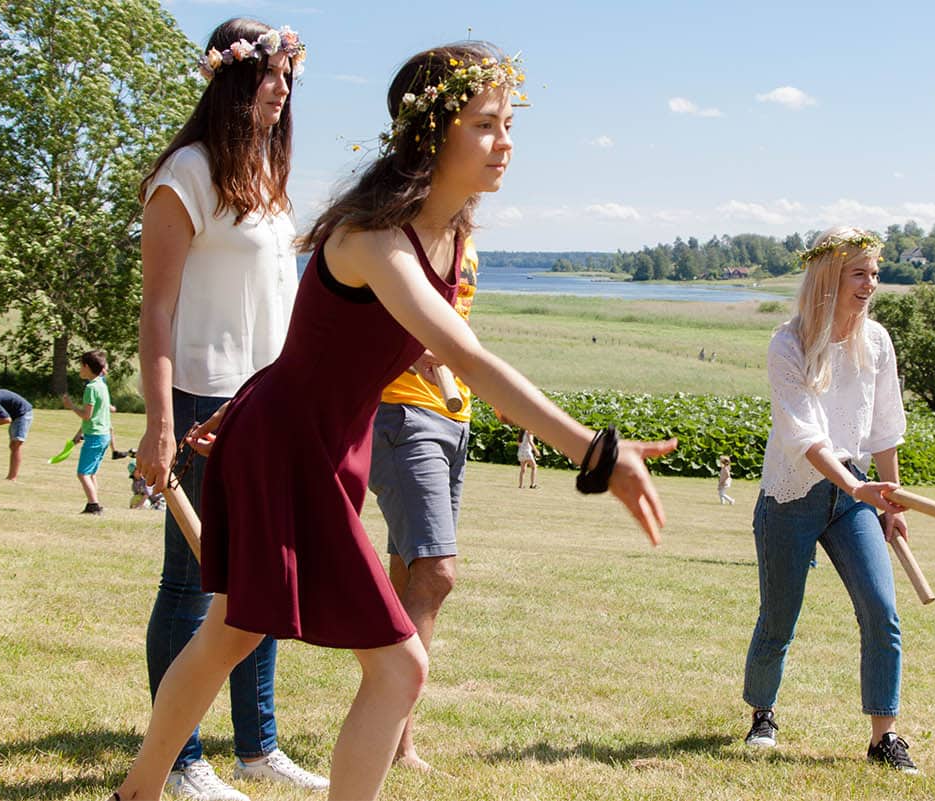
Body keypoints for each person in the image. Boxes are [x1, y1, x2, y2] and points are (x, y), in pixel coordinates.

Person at [108, 42, 675, 801]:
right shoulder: (373, 239)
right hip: (288, 447)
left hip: (329, 446)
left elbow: (419, 352)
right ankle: (144, 788)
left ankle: (137, 792)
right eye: (485, 124)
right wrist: (596, 451)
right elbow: (468, 357)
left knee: (232, 631)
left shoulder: (449, 237)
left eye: (508, 124)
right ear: (431, 134)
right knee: (394, 664)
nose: (505, 142)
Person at [133, 18, 323, 800]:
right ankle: (179, 762)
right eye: (270, 76)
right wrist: (159, 421)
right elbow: (156, 310)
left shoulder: (268, 184)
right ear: (232, 79)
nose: (281, 90)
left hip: (267, 404)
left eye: (288, 78)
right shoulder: (186, 173)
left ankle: (259, 746)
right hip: (200, 400)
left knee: (266, 584)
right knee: (192, 584)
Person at [741, 226, 919, 773]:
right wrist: (854, 483)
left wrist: (887, 499)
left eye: (874, 273)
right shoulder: (787, 343)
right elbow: (805, 436)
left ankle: (883, 736)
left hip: (854, 499)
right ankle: (763, 715)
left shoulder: (878, 342)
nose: (871, 284)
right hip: (793, 496)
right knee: (779, 617)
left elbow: (886, 425)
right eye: (858, 273)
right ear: (828, 279)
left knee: (882, 612)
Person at [366, 236, 479, 771]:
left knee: (408, 575)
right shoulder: (406, 231)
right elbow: (377, 313)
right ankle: (394, 740)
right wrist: (419, 351)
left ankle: (391, 735)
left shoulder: (463, 241)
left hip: (453, 419)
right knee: (435, 573)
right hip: (404, 415)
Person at [62, 349, 112, 515]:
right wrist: (79, 434)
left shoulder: (91, 388)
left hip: (95, 437)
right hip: (103, 435)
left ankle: (94, 505)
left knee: (83, 473)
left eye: (80, 366)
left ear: (86, 366)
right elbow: (96, 416)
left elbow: (87, 415)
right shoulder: (102, 385)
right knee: (91, 474)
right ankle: (94, 502)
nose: (79, 370)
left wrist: (71, 406)